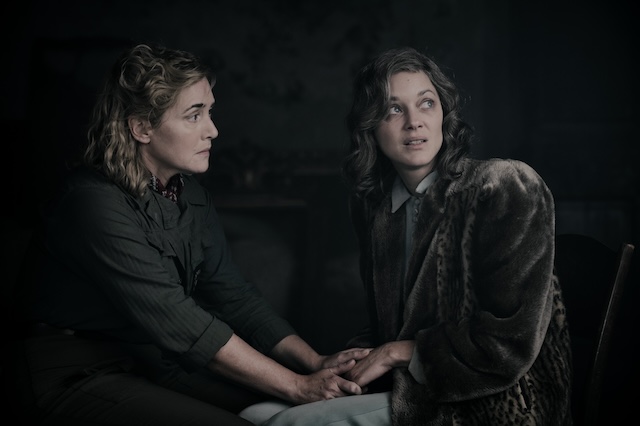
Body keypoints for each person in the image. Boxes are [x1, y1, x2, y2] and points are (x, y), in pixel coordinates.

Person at [6, 43, 370, 425]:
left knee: (296, 411)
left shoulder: (189, 194)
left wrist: (314, 362)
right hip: (71, 371)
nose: (213, 130)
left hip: (148, 362)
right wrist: (296, 384)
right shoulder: (92, 202)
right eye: (194, 115)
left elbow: (234, 297)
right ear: (142, 127)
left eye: (209, 112)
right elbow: (179, 320)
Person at [238, 47, 573, 425]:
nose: (414, 122)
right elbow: (389, 326)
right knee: (253, 415)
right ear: (370, 126)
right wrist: (350, 364)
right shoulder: (376, 208)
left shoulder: (503, 186)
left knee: (288, 424)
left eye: (426, 103)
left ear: (444, 113)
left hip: (493, 400)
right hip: (410, 386)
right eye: (394, 109)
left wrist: (396, 352)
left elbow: (508, 344)